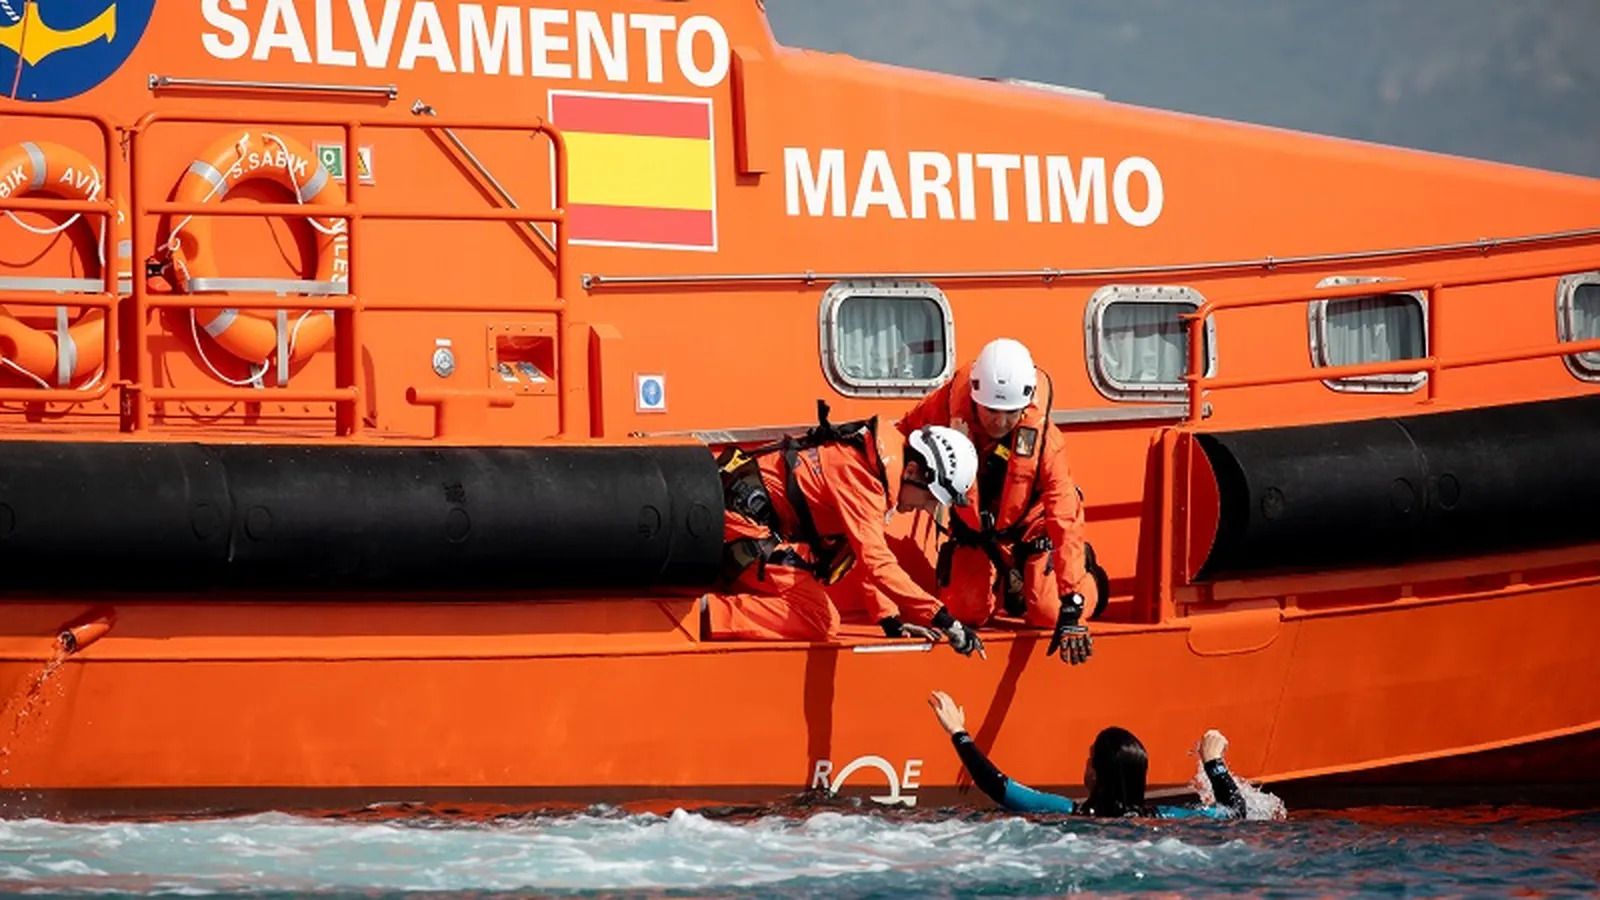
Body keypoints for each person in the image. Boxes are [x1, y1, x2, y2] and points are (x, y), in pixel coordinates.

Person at [702, 402, 988, 655]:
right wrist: (944, 619)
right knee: (820, 620)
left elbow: (862, 551)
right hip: (741, 525)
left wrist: (889, 619)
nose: (926, 509)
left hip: (746, 518)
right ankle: (708, 613)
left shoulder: (869, 467)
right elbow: (877, 563)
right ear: (912, 471)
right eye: (929, 498)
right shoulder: (862, 479)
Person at [897, 338, 1107, 665]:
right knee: (965, 611)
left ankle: (1090, 576)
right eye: (991, 411)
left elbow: (1064, 519)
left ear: (1023, 407)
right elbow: (903, 435)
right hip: (975, 530)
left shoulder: (1046, 443)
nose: (998, 421)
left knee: (1047, 612)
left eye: (1008, 413)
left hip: (1033, 528)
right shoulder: (944, 407)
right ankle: (997, 585)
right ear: (975, 399)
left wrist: (1072, 604)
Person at [927, 690, 1247, 819]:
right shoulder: (1165, 818)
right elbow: (1235, 811)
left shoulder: (1072, 812)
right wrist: (1213, 763)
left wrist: (958, 731)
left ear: (1095, 773)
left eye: (1089, 756)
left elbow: (996, 784)